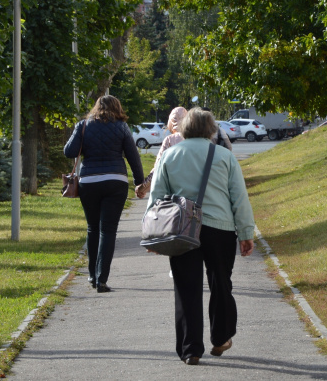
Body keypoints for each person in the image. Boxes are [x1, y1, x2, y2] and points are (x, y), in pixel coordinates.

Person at [145, 107, 255, 366]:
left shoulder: (170, 156)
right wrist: (246, 233)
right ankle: (221, 337)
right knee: (220, 282)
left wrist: (152, 235)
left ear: (183, 128)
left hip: (181, 229)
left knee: (186, 287)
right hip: (221, 229)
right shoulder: (224, 157)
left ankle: (190, 349)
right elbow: (238, 197)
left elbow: (157, 197)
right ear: (211, 129)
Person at [64, 95, 144, 293]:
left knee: (92, 228)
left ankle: (91, 275)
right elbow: (133, 157)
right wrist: (140, 182)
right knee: (108, 230)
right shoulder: (122, 127)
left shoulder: (83, 125)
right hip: (115, 182)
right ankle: (102, 279)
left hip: (89, 182)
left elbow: (69, 151)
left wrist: (79, 133)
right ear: (118, 108)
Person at [135, 106, 187, 199]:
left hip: (172, 190)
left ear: (171, 121)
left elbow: (158, 166)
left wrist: (143, 188)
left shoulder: (170, 139)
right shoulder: (195, 140)